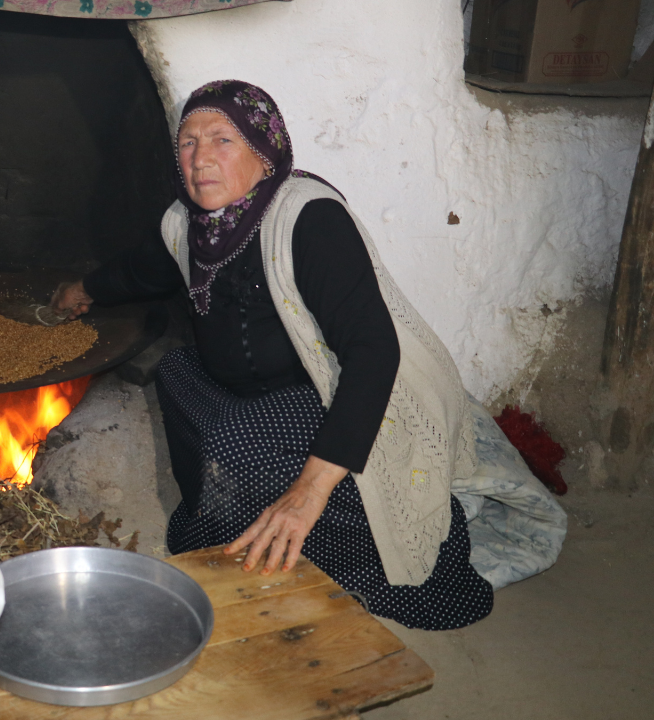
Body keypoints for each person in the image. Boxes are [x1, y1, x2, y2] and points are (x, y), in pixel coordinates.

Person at [52, 79, 505, 631]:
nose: (200, 159)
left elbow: (373, 353)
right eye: (188, 143)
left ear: (264, 155)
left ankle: (321, 534)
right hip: (252, 396)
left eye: (223, 140)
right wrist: (85, 290)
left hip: (341, 395)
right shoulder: (186, 223)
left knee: (260, 452)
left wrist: (308, 493)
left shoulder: (309, 220)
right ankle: (231, 518)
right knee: (176, 372)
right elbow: (141, 269)